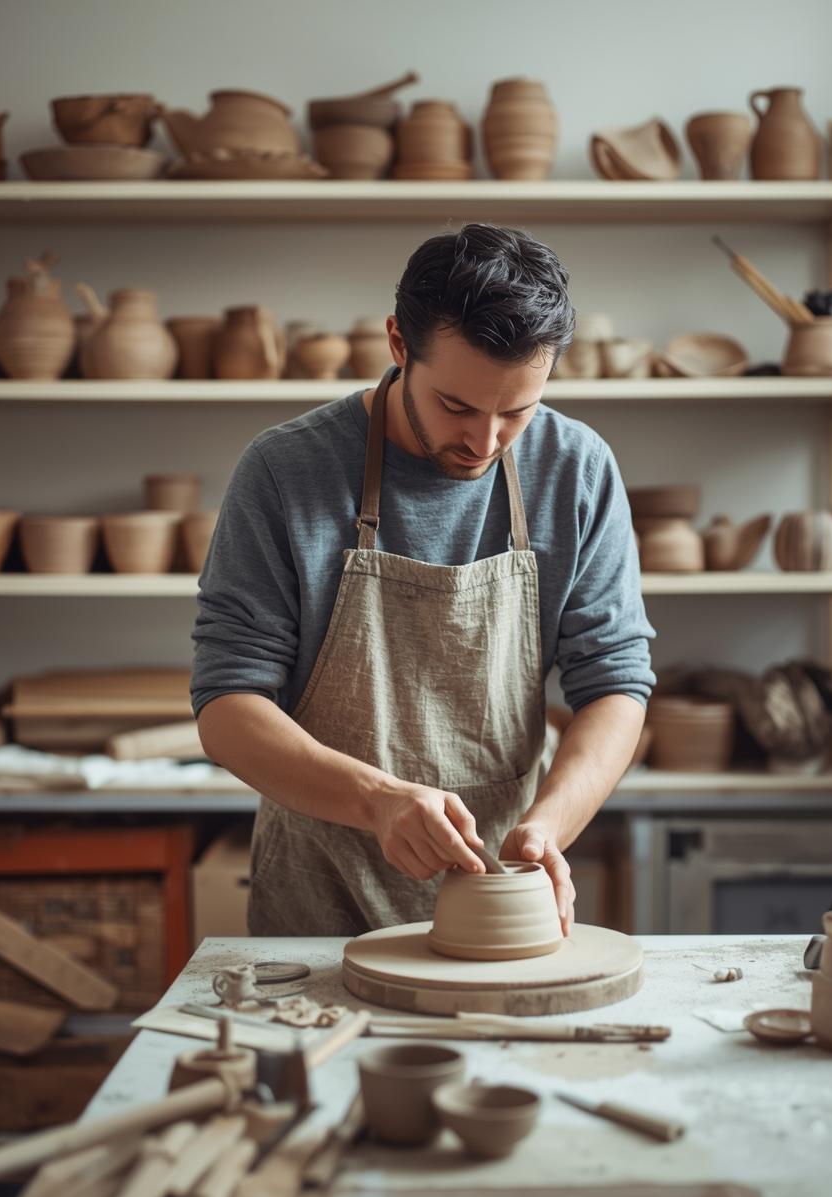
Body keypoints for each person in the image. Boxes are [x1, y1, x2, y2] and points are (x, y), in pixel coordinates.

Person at [191, 222, 655, 938]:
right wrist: (378, 800)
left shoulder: (577, 469)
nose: (484, 441)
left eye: (517, 412)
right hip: (319, 914)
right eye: (457, 406)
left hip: (502, 904)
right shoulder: (287, 472)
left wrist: (547, 828)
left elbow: (616, 684)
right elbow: (226, 708)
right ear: (399, 346)